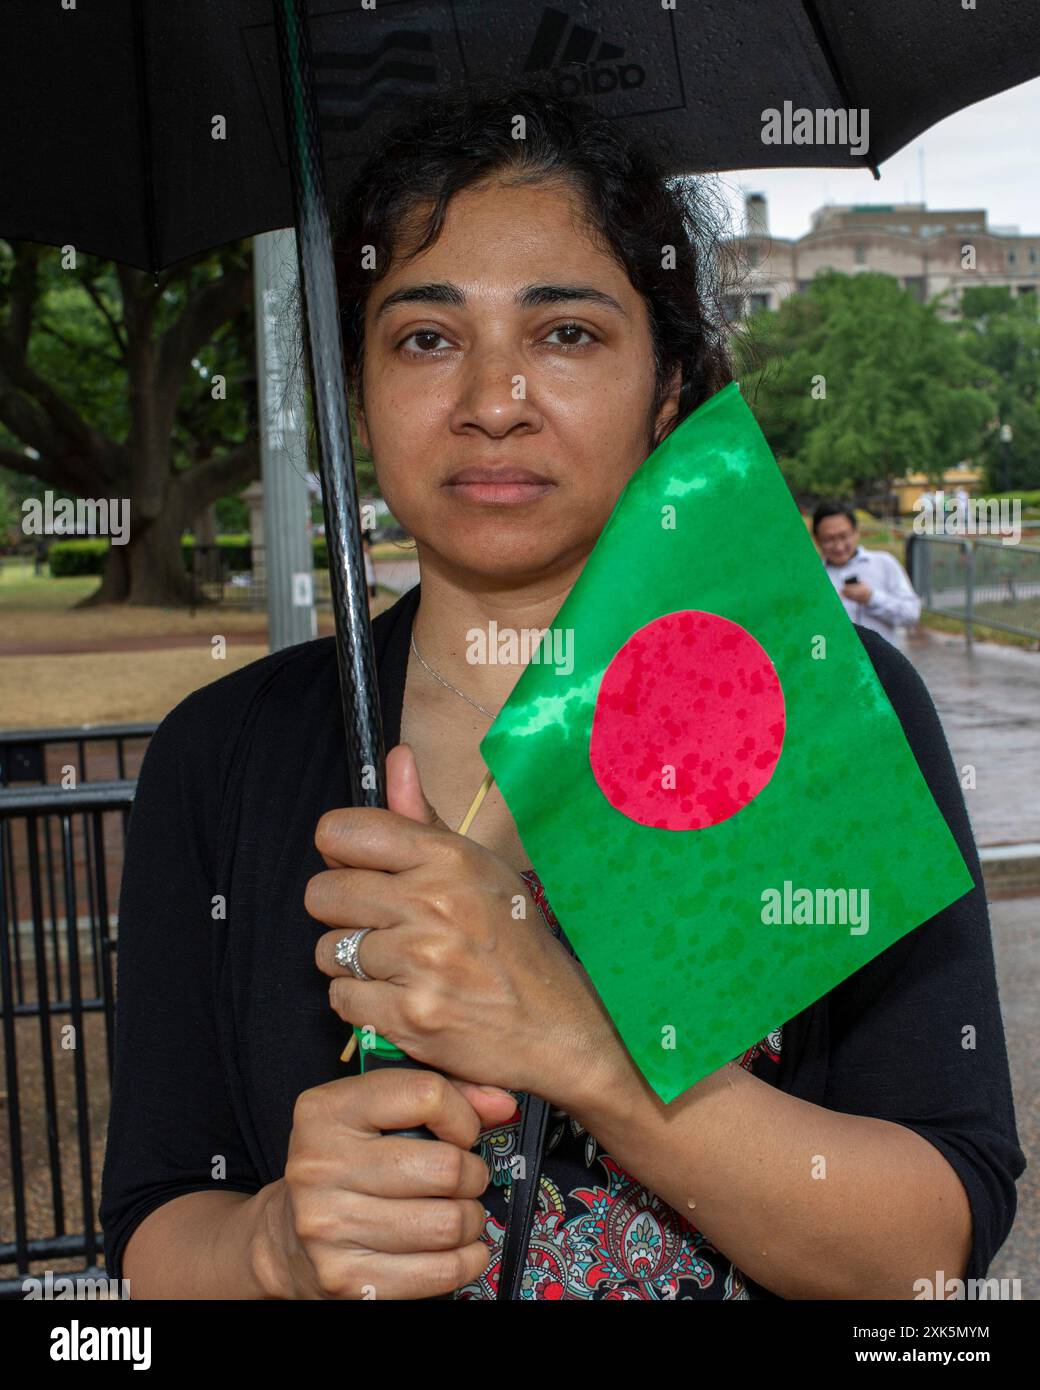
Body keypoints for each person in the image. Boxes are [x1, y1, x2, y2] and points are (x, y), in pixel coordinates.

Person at [100, 77, 1024, 1301]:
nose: (493, 403)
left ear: (668, 388)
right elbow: (161, 1224)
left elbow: (929, 1247)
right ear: (355, 396)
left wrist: (575, 1041)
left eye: (566, 333)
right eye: (425, 336)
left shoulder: (813, 706)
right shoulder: (223, 753)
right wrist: (272, 1247)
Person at [813, 501, 923, 649]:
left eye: (844, 536)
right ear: (816, 539)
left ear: (855, 532)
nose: (838, 546)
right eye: (829, 539)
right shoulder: (813, 578)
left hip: (883, 667)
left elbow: (911, 615)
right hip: (837, 666)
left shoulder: (884, 563)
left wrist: (871, 598)